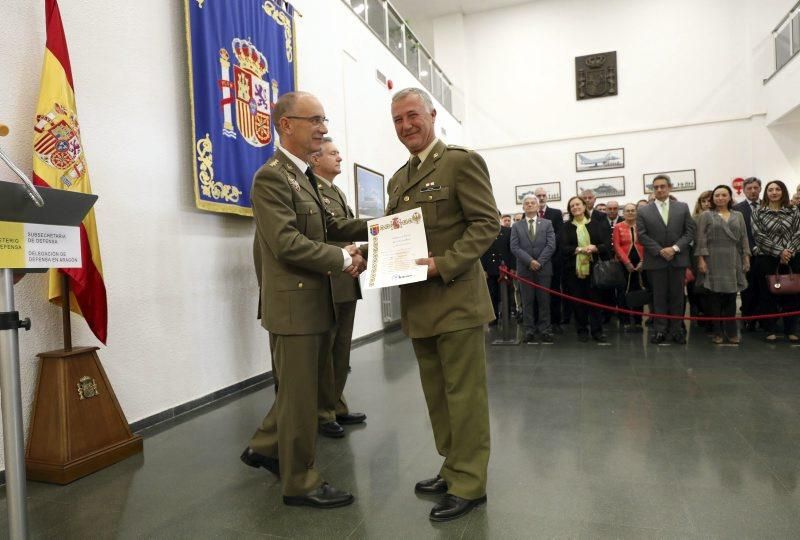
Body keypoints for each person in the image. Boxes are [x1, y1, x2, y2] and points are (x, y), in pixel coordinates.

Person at [243, 92, 368, 508]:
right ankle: (300, 482)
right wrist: (340, 257)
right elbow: (286, 243)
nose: (323, 128)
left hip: (315, 302)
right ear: (285, 125)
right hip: (294, 308)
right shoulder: (272, 177)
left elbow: (331, 224)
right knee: (299, 400)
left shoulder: (305, 177)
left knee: (303, 391)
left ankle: (265, 446)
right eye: (314, 120)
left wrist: (384, 224)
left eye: (324, 119)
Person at [386, 87, 497, 521]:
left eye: (412, 116)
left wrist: (443, 264)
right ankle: (453, 466)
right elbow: (397, 237)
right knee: (438, 394)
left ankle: (471, 482)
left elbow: (485, 223)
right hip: (419, 303)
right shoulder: (399, 178)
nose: (406, 126)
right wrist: (371, 255)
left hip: (456, 298)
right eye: (397, 120)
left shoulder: (460, 162)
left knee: (464, 394)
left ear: (431, 115)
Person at [310, 137, 367, 438]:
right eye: (333, 153)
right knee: (326, 350)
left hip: (346, 278)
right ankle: (323, 413)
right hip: (329, 278)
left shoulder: (337, 192)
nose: (340, 158)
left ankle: (337, 405)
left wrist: (357, 252)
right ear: (316, 159)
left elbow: (344, 231)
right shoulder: (312, 190)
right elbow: (322, 236)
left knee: (342, 350)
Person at [637, 174, 696, 344]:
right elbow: (642, 235)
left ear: (670, 187)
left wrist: (675, 248)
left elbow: (689, 231)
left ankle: (677, 330)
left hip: (677, 259)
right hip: (656, 260)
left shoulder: (682, 207)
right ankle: (660, 330)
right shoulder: (643, 211)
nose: (659, 189)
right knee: (658, 297)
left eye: (663, 186)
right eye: (656, 187)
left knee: (678, 297)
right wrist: (660, 250)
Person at [695, 185, 750, 344]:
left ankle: (732, 332)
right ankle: (717, 332)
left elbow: (744, 238)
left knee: (731, 297)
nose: (720, 198)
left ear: (729, 197)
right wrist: (701, 260)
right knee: (714, 298)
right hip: (713, 259)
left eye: (723, 195)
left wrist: (746, 257)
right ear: (712, 198)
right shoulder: (706, 215)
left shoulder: (738, 215)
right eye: (717, 195)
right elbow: (701, 239)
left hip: (733, 258)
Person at [751, 180, 800, 342]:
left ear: (783, 191)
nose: (774, 192)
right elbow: (758, 235)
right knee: (767, 294)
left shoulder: (794, 210)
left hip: (792, 258)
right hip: (767, 258)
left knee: (792, 294)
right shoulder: (758, 211)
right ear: (766, 193)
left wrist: (788, 251)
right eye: (770, 190)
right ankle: (769, 329)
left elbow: (798, 233)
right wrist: (780, 251)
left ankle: (791, 329)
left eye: (777, 189)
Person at [561, 195, 610, 342]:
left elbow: (606, 244)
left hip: (594, 268)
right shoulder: (566, 227)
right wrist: (578, 249)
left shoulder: (596, 224)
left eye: (578, 204)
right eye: (572, 206)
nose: (575, 207)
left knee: (595, 300)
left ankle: (597, 331)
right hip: (574, 271)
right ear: (570, 210)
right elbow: (563, 248)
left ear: (584, 206)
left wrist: (595, 248)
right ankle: (582, 330)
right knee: (578, 301)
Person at [511, 194, 556, 343]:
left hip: (544, 270)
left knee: (544, 301)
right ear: (523, 207)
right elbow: (514, 247)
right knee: (527, 301)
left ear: (538, 207)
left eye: (532, 203)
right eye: (527, 203)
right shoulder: (516, 226)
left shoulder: (547, 223)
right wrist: (530, 261)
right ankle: (529, 330)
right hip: (525, 269)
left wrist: (539, 262)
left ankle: (545, 329)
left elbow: (551, 245)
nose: (529, 205)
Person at [733, 178, 762, 331]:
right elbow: (739, 234)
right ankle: (748, 319)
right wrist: (752, 248)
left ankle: (765, 320)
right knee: (748, 289)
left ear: (760, 189)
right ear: (744, 190)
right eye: (749, 188)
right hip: (746, 255)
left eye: (756, 188)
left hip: (767, 255)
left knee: (765, 287)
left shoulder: (768, 205)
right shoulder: (736, 209)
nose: (752, 191)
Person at [535, 187, 565, 333]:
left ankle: (555, 322)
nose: (541, 198)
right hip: (534, 262)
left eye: (543, 195)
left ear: (547, 197)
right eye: (538, 195)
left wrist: (546, 252)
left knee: (554, 292)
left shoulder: (555, 213)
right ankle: (537, 322)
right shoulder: (528, 214)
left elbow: (559, 235)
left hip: (552, 260)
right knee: (536, 294)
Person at [613, 203, 645, 332]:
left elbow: (647, 244)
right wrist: (626, 262)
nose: (630, 213)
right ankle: (624, 319)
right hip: (623, 264)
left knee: (638, 291)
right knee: (622, 291)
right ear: (623, 213)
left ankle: (638, 320)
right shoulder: (618, 227)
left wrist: (643, 261)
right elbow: (616, 245)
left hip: (641, 264)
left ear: (636, 212)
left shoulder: (642, 226)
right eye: (628, 211)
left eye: (633, 210)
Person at [481, 213, 515, 322]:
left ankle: (507, 316)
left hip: (505, 268)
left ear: (499, 217)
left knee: (507, 294)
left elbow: (512, 250)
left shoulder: (508, 231)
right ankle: (494, 317)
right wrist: (483, 269)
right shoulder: (484, 232)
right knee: (492, 294)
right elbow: (481, 252)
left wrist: (513, 267)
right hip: (490, 268)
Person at [687, 190, 713, 328]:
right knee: (697, 288)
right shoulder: (693, 219)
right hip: (696, 256)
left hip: (716, 256)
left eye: (709, 200)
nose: (707, 204)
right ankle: (699, 315)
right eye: (704, 201)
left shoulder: (721, 216)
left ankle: (713, 317)